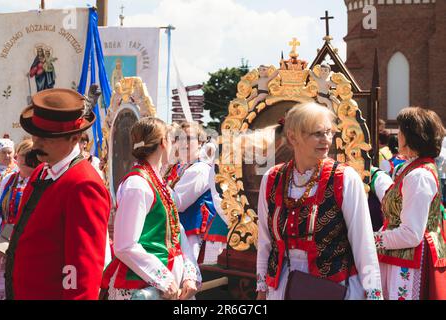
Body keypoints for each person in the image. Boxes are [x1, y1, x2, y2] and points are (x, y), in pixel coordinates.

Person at [256, 102, 382, 300]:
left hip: (333, 288)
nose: (327, 140)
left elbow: (363, 244)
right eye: (317, 133)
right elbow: (265, 241)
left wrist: (374, 294)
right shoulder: (273, 178)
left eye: (329, 132)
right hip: (281, 288)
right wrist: (262, 289)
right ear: (292, 137)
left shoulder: (344, 178)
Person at [4, 88, 111, 300]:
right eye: (36, 136)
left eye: (48, 138)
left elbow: (83, 272)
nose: (36, 144)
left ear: (74, 138)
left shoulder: (84, 185)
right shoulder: (40, 172)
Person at [101, 117, 201, 300]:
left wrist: (189, 275)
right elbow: (125, 245)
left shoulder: (159, 183)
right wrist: (163, 278)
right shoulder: (137, 185)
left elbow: (177, 233)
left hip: (168, 285)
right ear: (164, 143)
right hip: (143, 286)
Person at [370, 107, 446, 300]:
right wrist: (375, 174)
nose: (399, 134)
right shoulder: (414, 168)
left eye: (402, 130)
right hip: (400, 257)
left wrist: (370, 240)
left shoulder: (419, 175)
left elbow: (411, 234)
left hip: (410, 262)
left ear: (411, 136)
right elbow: (393, 197)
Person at [171, 121, 227, 261]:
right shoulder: (179, 167)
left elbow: (177, 203)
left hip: (192, 235)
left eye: (189, 138)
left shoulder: (200, 169)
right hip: (180, 231)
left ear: (201, 142)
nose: (184, 143)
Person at [0, 138, 40, 299]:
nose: (25, 160)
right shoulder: (9, 179)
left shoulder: (39, 181)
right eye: (23, 155)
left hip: (28, 240)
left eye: (31, 156)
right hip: (5, 239)